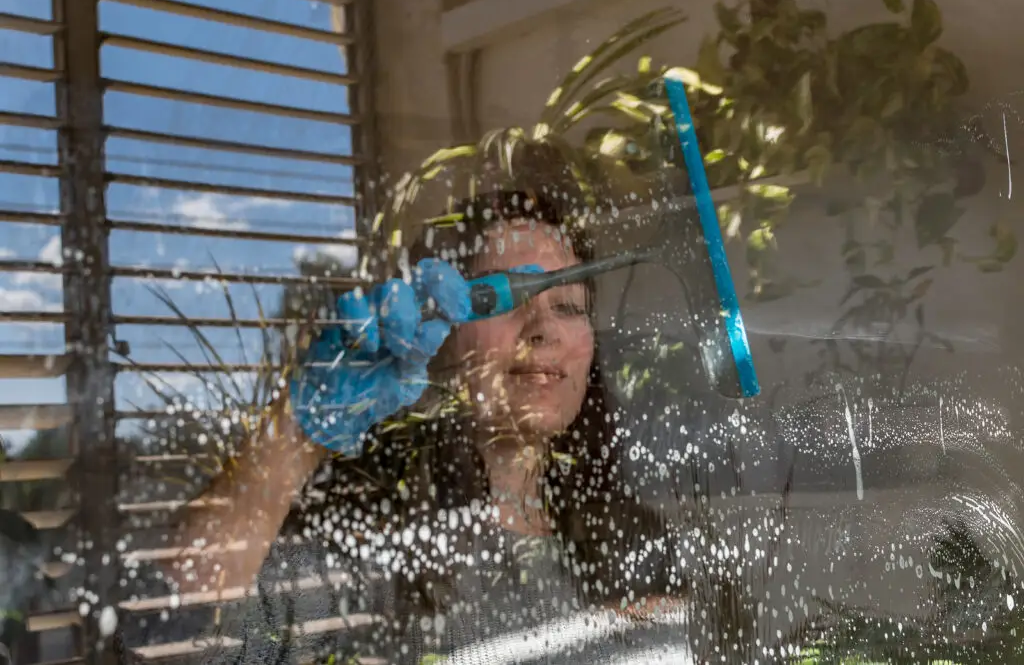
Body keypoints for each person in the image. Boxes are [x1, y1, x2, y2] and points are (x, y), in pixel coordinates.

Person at [153, 164, 699, 663]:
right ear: (440, 335)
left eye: (569, 306)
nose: (542, 328)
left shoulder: (635, 538)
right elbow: (181, 642)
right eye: (501, 298)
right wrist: (294, 433)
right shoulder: (369, 535)